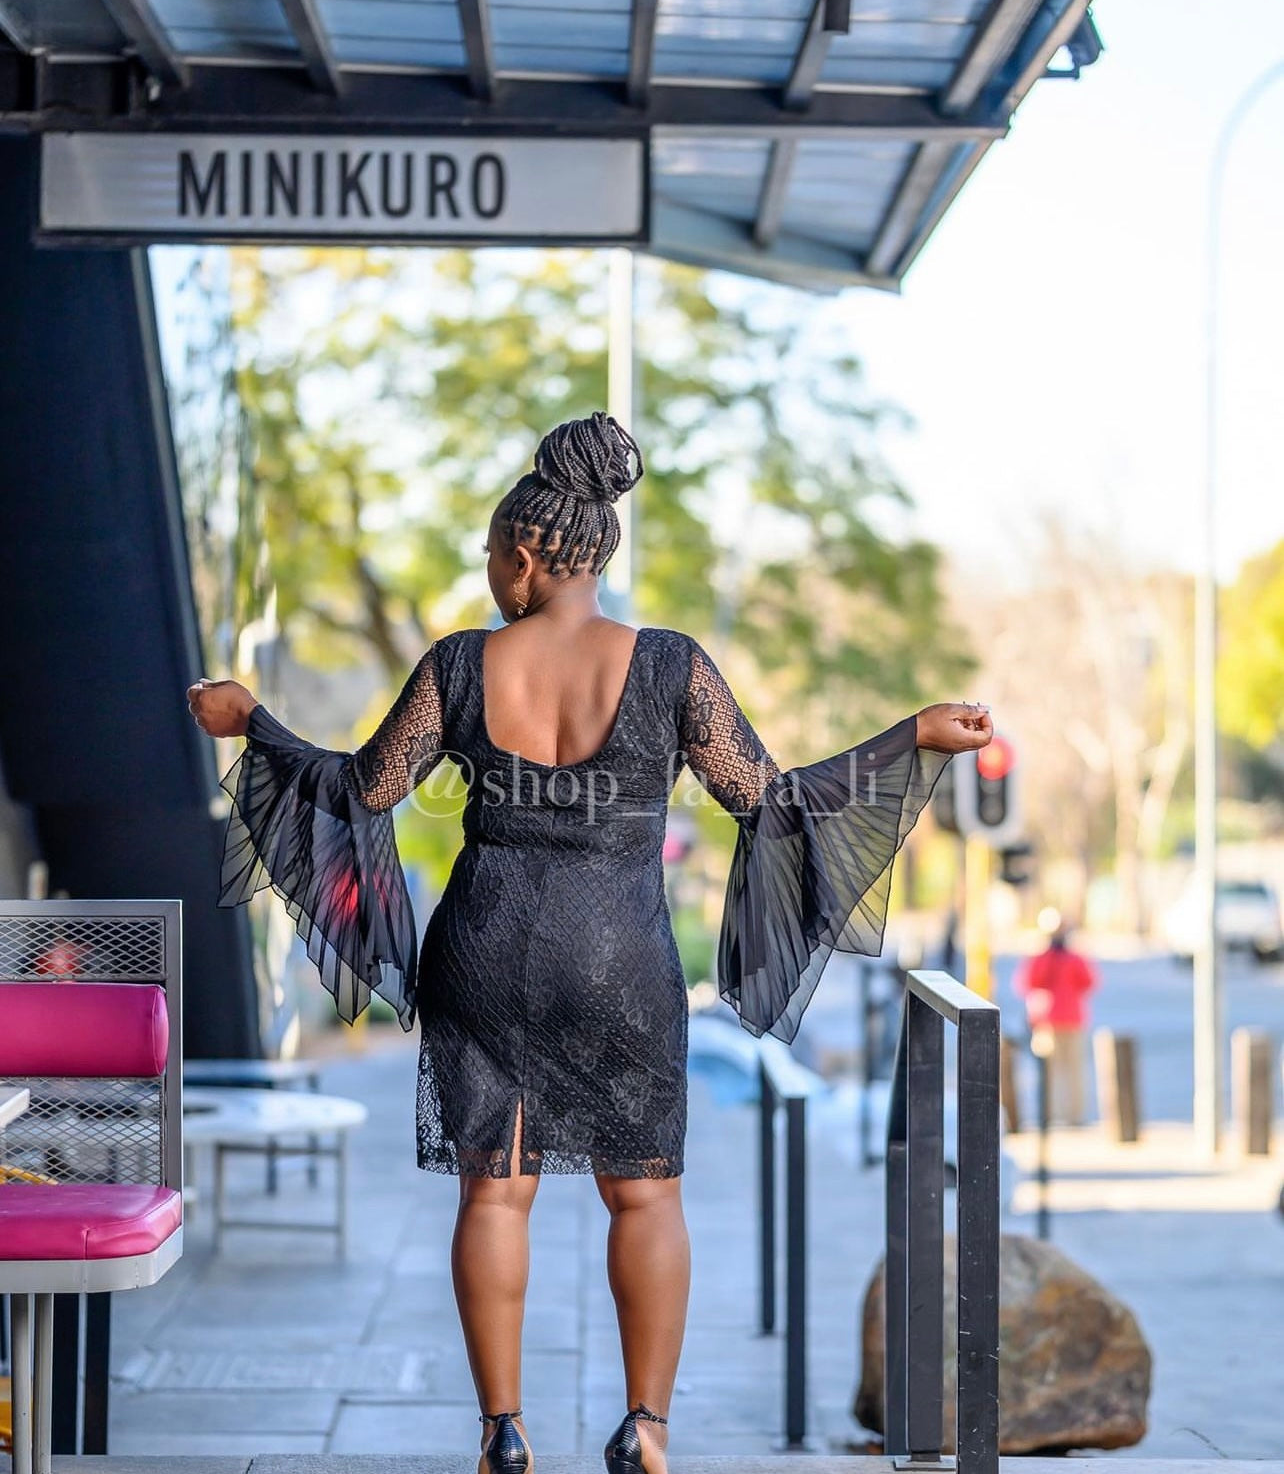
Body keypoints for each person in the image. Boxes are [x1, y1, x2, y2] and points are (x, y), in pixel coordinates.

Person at [187, 412, 993, 1474]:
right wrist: (910, 736)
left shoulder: (460, 667)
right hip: (619, 955)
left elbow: (358, 790)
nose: (487, 572)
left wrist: (254, 722)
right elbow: (773, 800)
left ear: (526, 556)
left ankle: (502, 1433)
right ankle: (646, 1426)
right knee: (645, 1190)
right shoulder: (668, 667)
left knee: (494, 1190)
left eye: (489, 556)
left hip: (484, 948)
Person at [1013, 911, 1099, 1126]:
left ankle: (1062, 1115)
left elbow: (1088, 981)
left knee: (1060, 1071)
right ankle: (1060, 1115)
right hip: (1055, 1020)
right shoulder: (1052, 957)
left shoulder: (1054, 957)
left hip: (1056, 1019)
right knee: (1061, 1071)